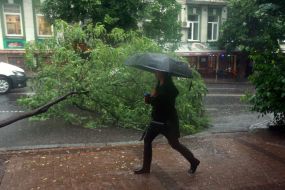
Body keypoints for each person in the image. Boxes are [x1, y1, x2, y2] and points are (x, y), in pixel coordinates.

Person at [134, 71, 200, 175]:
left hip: (168, 122)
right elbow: (155, 101)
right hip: (156, 120)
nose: (155, 73)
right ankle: (146, 168)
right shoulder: (158, 85)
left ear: (163, 73)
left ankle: (194, 161)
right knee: (147, 140)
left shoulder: (171, 88)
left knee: (175, 144)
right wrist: (148, 99)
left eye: (157, 71)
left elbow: (162, 102)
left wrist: (151, 99)